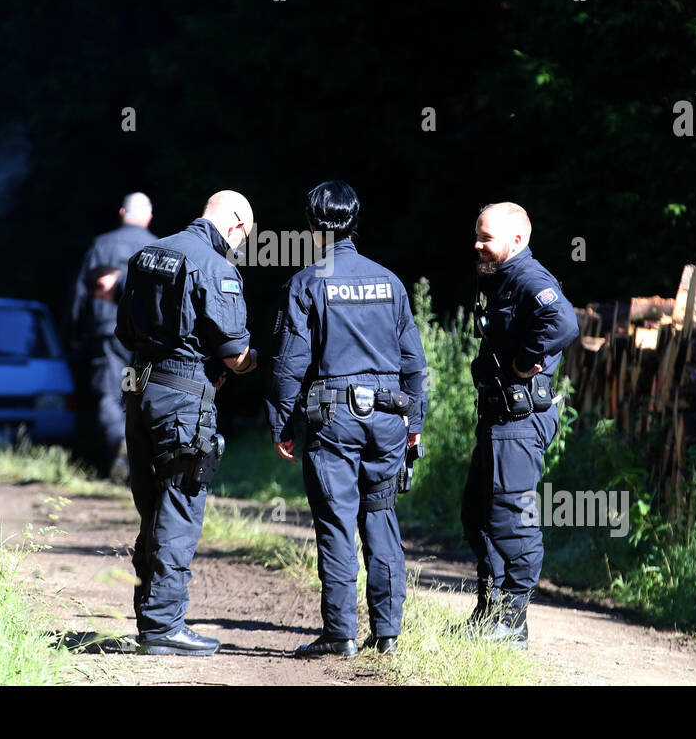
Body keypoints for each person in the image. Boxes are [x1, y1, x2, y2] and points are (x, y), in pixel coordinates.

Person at [268, 181, 428, 657]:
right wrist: (414, 421)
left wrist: (280, 424)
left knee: (336, 522)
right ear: (356, 222)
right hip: (388, 418)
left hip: (332, 420)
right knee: (380, 516)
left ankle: (340, 635)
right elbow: (414, 363)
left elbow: (287, 365)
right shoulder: (391, 282)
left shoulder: (305, 283)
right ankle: (388, 633)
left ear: (313, 225)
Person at [116, 190, 258, 656]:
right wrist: (265, 359)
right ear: (236, 224)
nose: (239, 247)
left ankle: (150, 616)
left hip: (136, 389)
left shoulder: (145, 254)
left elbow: (123, 332)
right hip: (181, 400)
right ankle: (164, 626)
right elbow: (235, 355)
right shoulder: (216, 268)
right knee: (179, 507)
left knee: (152, 506)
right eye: (244, 238)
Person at [462, 202, 578, 648]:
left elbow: (564, 321)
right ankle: (488, 614)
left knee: (513, 517)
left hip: (520, 421)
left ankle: (513, 622)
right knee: (477, 515)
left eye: (486, 237)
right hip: (496, 420)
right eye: (477, 234)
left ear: (517, 240)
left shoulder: (530, 279)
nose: (477, 244)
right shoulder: (501, 279)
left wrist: (528, 358)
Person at [69, 193, 157, 481]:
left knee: (110, 394)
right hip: (148, 336)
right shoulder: (158, 247)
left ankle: (122, 447)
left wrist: (76, 331)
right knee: (140, 394)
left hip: (107, 332)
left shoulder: (102, 244)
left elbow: (81, 292)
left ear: (122, 212)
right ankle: (142, 463)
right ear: (148, 217)